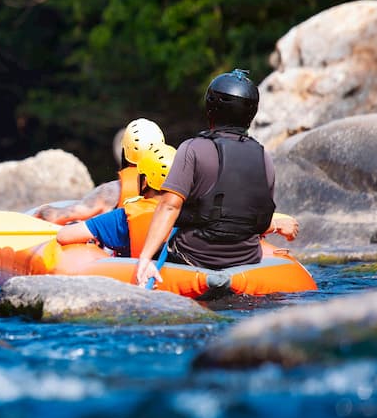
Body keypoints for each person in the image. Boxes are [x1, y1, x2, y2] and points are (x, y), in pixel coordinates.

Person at [133, 69, 298, 285]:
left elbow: (169, 206)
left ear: (211, 108)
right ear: (251, 113)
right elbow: (257, 218)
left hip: (193, 258)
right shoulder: (263, 156)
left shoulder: (191, 149)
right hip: (246, 260)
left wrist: (145, 258)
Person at [56, 141, 176, 258]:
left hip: (131, 274)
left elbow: (64, 236)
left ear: (144, 182)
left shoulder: (122, 218)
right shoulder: (188, 217)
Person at [35, 118, 164, 225]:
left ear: (125, 152)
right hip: (161, 254)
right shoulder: (175, 193)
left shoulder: (110, 191)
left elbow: (58, 216)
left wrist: (44, 210)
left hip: (119, 255)